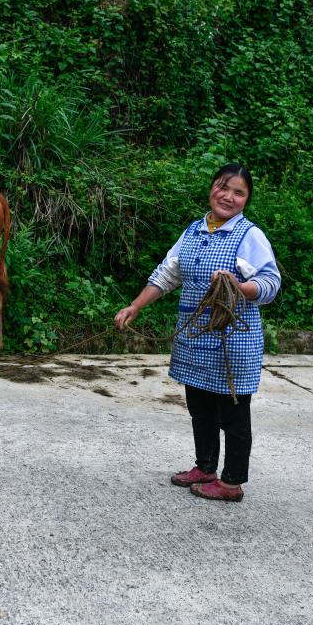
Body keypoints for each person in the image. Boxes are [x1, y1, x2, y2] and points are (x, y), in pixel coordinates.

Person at [114, 163, 281, 503]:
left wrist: (239, 286)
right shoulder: (194, 231)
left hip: (231, 341)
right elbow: (167, 274)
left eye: (239, 192)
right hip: (194, 339)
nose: (228, 197)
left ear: (247, 199)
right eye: (223, 187)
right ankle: (205, 467)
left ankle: (231, 482)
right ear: (211, 188)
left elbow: (271, 283)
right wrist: (136, 305)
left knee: (233, 414)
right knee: (200, 407)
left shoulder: (250, 236)